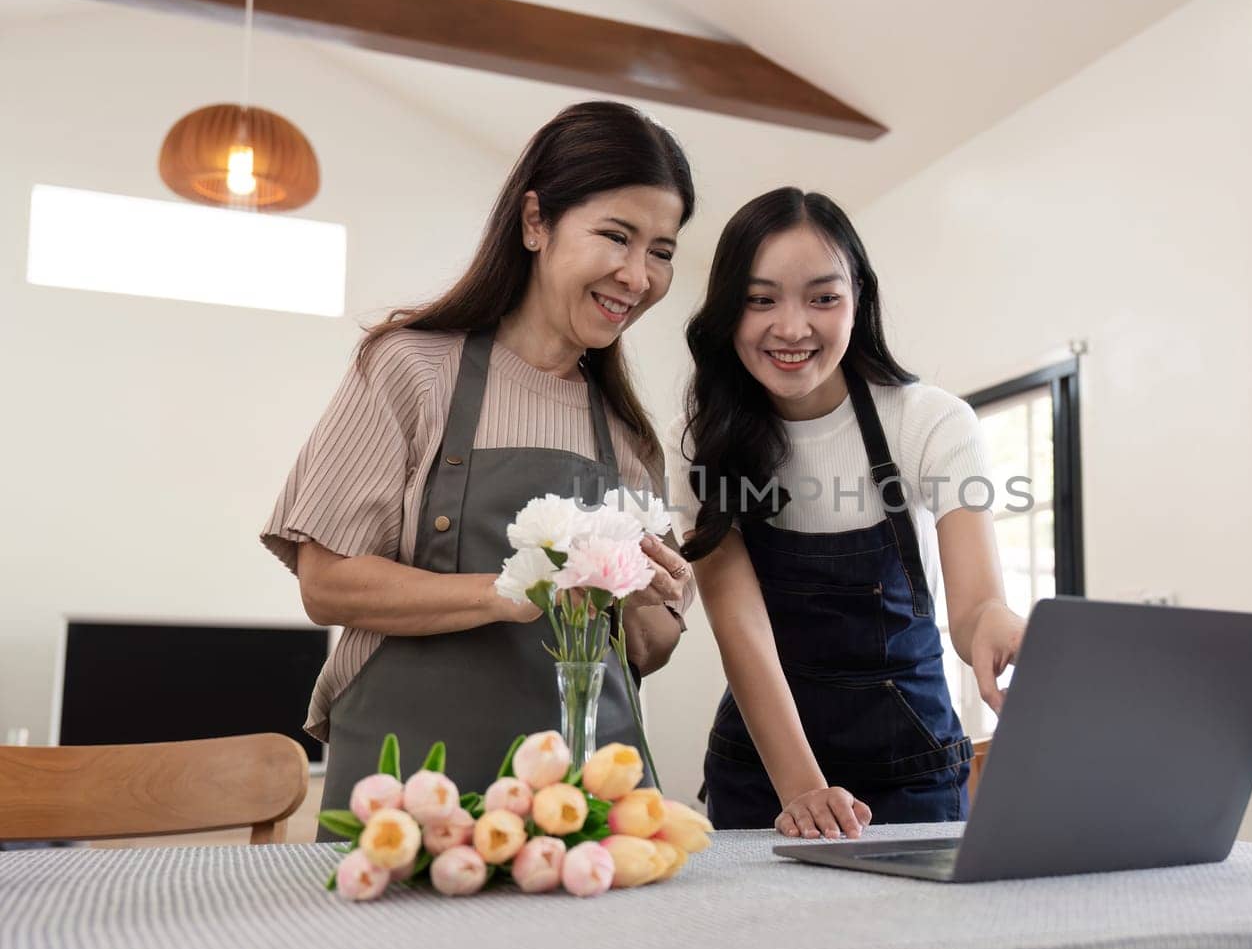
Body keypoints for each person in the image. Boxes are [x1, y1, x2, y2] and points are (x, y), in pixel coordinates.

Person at [262, 102, 695, 836]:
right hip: (411, 792)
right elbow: (326, 582)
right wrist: (509, 589)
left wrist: (661, 595)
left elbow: (644, 652)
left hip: (581, 806)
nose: (638, 275)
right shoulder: (411, 369)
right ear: (535, 222)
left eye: (661, 250)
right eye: (616, 236)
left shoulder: (624, 432)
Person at [670, 188, 1027, 839]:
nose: (792, 326)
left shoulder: (931, 421)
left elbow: (974, 607)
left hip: (913, 772)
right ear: (727, 310)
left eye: (822, 297)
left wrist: (994, 621)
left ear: (858, 300)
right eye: (761, 298)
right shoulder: (701, 442)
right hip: (766, 780)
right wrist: (802, 789)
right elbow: (742, 632)